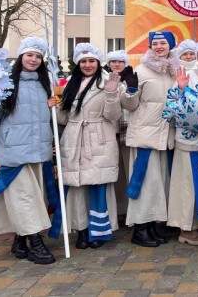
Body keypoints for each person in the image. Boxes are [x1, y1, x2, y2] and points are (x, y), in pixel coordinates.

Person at [0, 37, 59, 264]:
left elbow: (49, 118)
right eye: (30, 55)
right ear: (21, 57)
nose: (34, 60)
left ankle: (20, 240)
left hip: (38, 151)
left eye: (38, 56)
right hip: (14, 151)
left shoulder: (45, 83)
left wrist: (53, 107)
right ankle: (36, 242)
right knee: (25, 198)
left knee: (32, 198)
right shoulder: (5, 83)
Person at [57, 43, 122, 250]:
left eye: (91, 61)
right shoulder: (69, 83)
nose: (87, 65)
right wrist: (53, 105)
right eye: (83, 61)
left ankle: (99, 230)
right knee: (77, 187)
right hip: (74, 137)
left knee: (97, 184)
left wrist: (112, 95)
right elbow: (64, 118)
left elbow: (113, 116)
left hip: (99, 136)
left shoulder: (108, 81)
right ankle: (81, 230)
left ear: (98, 62)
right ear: (77, 63)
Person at [121, 30, 179, 247]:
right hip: (146, 136)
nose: (159, 47)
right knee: (145, 184)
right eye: (155, 43)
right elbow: (129, 106)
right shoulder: (141, 70)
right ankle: (140, 228)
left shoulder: (174, 72)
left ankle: (154, 225)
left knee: (159, 184)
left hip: (165, 136)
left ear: (170, 45)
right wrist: (131, 91)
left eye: (163, 43)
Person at [168, 39, 198, 247]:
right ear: (197, 55)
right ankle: (186, 228)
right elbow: (172, 106)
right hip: (189, 140)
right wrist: (180, 90)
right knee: (187, 184)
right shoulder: (186, 76)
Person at [106, 50, 132, 217]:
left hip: (128, 130)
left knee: (128, 171)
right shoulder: (103, 80)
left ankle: (129, 209)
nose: (117, 64)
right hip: (110, 131)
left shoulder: (131, 79)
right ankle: (118, 209)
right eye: (113, 61)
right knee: (116, 174)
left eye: (120, 61)